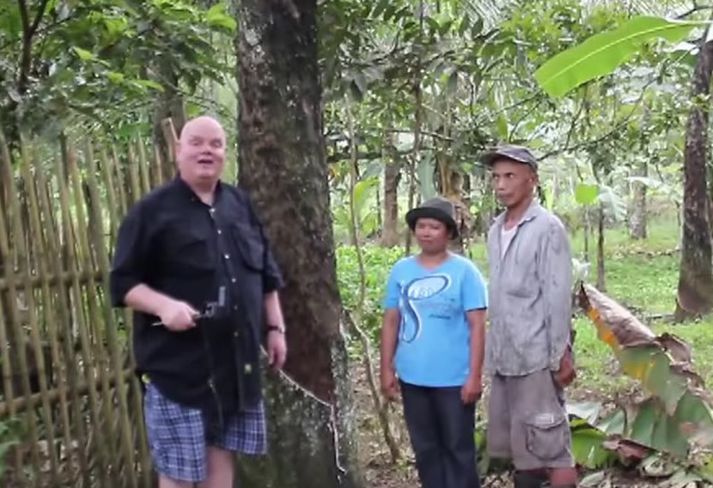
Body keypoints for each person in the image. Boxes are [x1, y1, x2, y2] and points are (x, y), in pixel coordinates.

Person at [109, 115, 288, 488]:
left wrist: (275, 327)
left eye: (216, 144)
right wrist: (163, 306)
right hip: (179, 371)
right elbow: (123, 283)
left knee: (221, 461)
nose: (206, 150)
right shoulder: (150, 212)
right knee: (177, 474)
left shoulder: (240, 204)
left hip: (235, 366)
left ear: (225, 153)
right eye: (196, 142)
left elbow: (266, 272)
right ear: (179, 150)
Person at [482, 145, 577, 488]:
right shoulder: (495, 230)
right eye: (496, 177)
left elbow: (556, 295)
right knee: (522, 449)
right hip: (507, 354)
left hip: (537, 354)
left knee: (552, 446)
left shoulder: (547, 228)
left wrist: (559, 353)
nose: (501, 185)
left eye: (510, 176)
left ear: (532, 181)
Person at [380, 196, 488, 488]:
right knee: (426, 449)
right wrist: (386, 369)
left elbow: (477, 325)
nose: (426, 232)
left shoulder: (465, 272)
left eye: (434, 226)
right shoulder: (401, 271)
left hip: (454, 379)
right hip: (413, 377)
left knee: (458, 448)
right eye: (421, 226)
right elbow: (391, 321)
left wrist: (474, 376)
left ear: (448, 233)